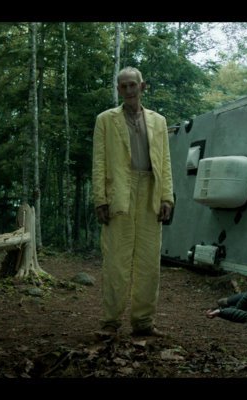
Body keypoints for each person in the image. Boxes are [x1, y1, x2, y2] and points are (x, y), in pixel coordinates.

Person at [92, 66, 174, 338]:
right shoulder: (105, 120)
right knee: (116, 261)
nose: (128, 90)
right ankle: (110, 322)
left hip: (150, 191)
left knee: (149, 262)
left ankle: (143, 322)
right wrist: (100, 199)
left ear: (142, 86)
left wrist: (167, 197)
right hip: (119, 193)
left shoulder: (158, 121)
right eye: (123, 86)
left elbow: (165, 162)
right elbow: (99, 161)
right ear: (118, 89)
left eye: (132, 85)